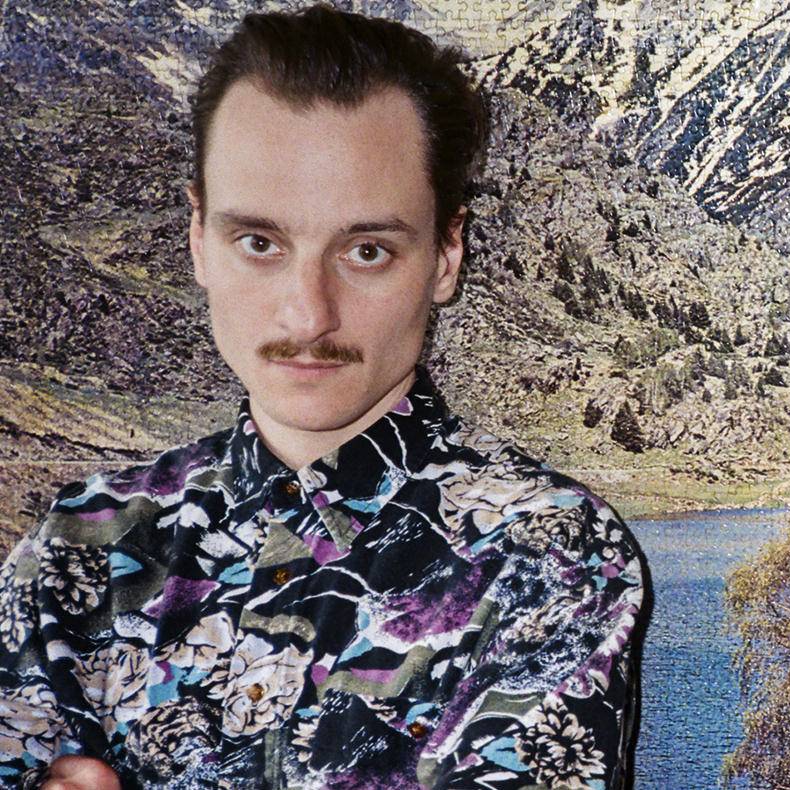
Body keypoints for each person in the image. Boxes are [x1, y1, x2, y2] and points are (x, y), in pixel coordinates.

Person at [0, 6, 647, 789]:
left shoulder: (549, 553)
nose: (308, 315)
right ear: (198, 238)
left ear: (447, 253)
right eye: (260, 243)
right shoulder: (79, 540)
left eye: (366, 251)